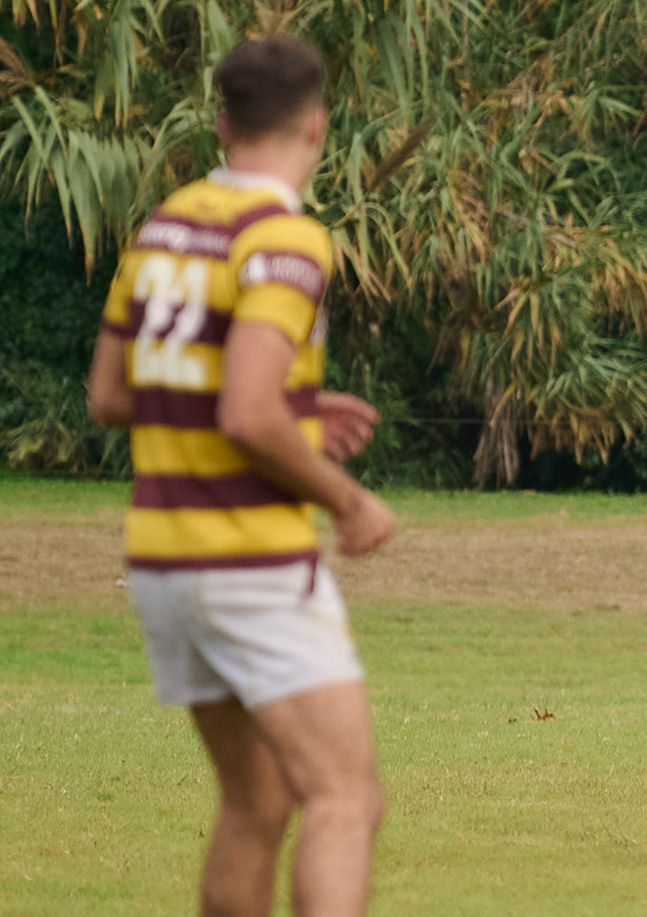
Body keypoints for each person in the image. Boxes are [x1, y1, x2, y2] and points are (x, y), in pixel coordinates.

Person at [84, 36, 395, 917]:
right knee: (346, 798)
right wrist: (348, 498)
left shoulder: (166, 226)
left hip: (161, 561)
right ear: (317, 125)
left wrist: (293, 408)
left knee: (256, 801)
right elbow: (247, 411)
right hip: (248, 559)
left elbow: (111, 394)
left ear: (222, 124)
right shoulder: (287, 241)